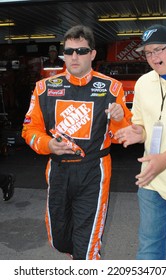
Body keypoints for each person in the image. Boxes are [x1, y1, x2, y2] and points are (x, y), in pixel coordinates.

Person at [22, 25, 132, 260]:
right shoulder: (44, 88)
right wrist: (48, 145)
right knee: (61, 238)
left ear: (92, 54)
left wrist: (121, 119)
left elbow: (122, 135)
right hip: (59, 171)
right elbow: (29, 130)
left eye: (81, 51)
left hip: (93, 170)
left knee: (87, 243)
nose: (74, 56)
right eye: (69, 51)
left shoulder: (112, 88)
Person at [114, 24, 166, 260]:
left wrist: (164, 159)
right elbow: (141, 121)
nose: (153, 57)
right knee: (150, 251)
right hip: (152, 180)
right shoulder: (143, 83)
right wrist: (139, 132)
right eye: (148, 52)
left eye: (158, 50)